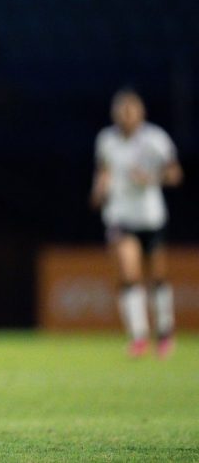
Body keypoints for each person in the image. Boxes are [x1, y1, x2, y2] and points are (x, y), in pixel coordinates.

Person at [90, 88, 183, 358]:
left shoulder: (155, 139)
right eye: (120, 111)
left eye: (130, 110)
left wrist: (152, 179)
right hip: (120, 215)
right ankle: (139, 335)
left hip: (151, 216)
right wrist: (98, 190)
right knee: (129, 274)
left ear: (140, 113)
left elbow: (175, 174)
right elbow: (103, 171)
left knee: (157, 276)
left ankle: (165, 330)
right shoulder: (106, 140)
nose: (125, 116)